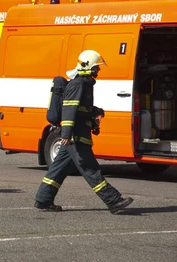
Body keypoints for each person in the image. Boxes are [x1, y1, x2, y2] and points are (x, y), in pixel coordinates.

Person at [34, 50, 133, 214]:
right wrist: (66, 134)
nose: (98, 71)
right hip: (76, 137)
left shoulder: (83, 84)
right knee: (90, 169)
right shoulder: (79, 84)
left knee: (58, 169)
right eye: (96, 68)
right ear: (88, 67)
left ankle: (43, 200)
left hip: (75, 136)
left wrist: (94, 111)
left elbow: (80, 108)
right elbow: (69, 109)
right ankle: (113, 201)